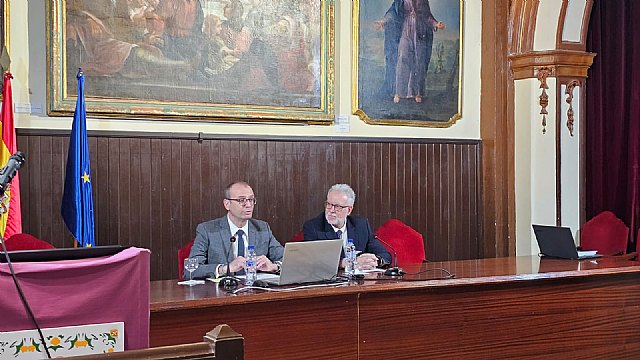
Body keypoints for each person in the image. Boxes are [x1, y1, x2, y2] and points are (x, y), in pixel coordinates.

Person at [186, 181, 283, 280]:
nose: (248, 205)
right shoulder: (207, 230)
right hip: (222, 292)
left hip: (257, 291)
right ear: (227, 204)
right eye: (242, 200)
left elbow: (289, 261)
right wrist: (225, 269)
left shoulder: (262, 228)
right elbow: (190, 270)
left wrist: (274, 267)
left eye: (251, 199)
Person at [303, 184, 391, 270]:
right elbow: (313, 261)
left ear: (349, 210)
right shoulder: (313, 227)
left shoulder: (361, 225)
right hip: (331, 282)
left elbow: (385, 255)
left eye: (338, 207)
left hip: (359, 282)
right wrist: (347, 263)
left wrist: (375, 261)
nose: (331, 210)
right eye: (329, 204)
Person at [374, 0, 446, 103]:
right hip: (405, 30)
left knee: (418, 61)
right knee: (402, 58)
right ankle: (399, 92)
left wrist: (436, 24)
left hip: (420, 32)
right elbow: (393, 13)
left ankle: (417, 92)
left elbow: (427, 16)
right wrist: (383, 21)